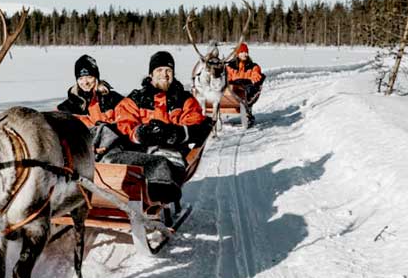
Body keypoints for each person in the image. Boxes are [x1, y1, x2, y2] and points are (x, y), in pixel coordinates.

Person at [107, 51, 211, 203]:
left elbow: (195, 122)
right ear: (151, 74)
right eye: (159, 70)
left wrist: (175, 133)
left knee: (162, 166)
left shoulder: (183, 99)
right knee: (112, 159)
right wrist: (140, 133)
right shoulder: (136, 98)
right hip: (139, 154)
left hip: (171, 155)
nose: (165, 74)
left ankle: (158, 190)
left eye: (168, 70)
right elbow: (124, 121)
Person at [57, 54, 125, 157]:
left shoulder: (114, 100)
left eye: (89, 77)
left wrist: (108, 132)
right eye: (80, 78)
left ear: (96, 77)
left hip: (114, 150)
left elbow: (127, 125)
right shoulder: (66, 107)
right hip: (82, 154)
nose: (85, 82)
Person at [225, 43, 265, 124]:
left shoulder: (253, 66)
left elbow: (255, 74)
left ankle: (247, 112)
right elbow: (227, 77)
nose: (245, 54)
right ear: (238, 53)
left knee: (248, 89)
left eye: (246, 52)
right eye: (242, 52)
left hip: (247, 88)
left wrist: (255, 77)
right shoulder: (230, 66)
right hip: (234, 90)